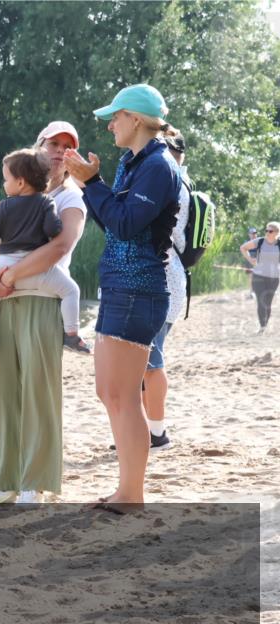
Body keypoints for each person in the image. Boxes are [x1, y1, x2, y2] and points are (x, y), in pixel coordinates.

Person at [64, 84, 182, 509]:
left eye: (115, 116)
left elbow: (128, 224)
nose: (110, 123)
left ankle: (132, 494)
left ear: (135, 118)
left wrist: (92, 182)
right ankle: (126, 489)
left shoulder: (158, 165)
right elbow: (112, 220)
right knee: (109, 392)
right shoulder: (133, 162)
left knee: (123, 395)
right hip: (120, 287)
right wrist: (88, 185)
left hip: (139, 289)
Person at [0, 121, 89, 504]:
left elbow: (59, 247)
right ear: (38, 146)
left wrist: (7, 274)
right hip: (5, 299)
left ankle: (35, 482)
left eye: (67, 147)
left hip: (43, 301)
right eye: (53, 144)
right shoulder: (17, 190)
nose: (60, 151)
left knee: (38, 394)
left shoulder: (71, 199)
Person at [0, 148, 90, 365]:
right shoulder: (46, 202)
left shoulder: (4, 206)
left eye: (6, 179)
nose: (4, 184)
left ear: (21, 182)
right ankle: (71, 335)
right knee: (71, 290)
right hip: (37, 270)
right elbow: (53, 229)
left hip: (6, 267)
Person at [138, 131, 190, 453]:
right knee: (146, 360)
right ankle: (147, 430)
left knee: (151, 361)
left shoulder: (173, 184)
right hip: (171, 279)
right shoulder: (181, 182)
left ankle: (158, 434)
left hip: (165, 280)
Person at [241, 221, 280, 333]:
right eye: (266, 230)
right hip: (258, 276)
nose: (267, 233)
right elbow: (243, 248)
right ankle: (262, 326)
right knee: (261, 301)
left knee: (268, 303)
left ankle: (265, 323)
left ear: (276, 232)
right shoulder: (260, 241)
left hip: (274, 278)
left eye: (270, 231)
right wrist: (250, 259)